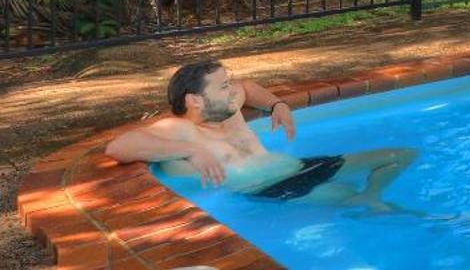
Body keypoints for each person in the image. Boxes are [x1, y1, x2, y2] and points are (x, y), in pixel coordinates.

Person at [106, 60, 416, 210]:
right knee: (368, 207)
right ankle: (419, 219)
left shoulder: (228, 106)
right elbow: (119, 146)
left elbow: (250, 88)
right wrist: (188, 149)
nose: (233, 91)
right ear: (195, 100)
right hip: (270, 187)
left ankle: (372, 193)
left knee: (400, 156)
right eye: (224, 86)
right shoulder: (180, 129)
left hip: (300, 166)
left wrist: (276, 104)